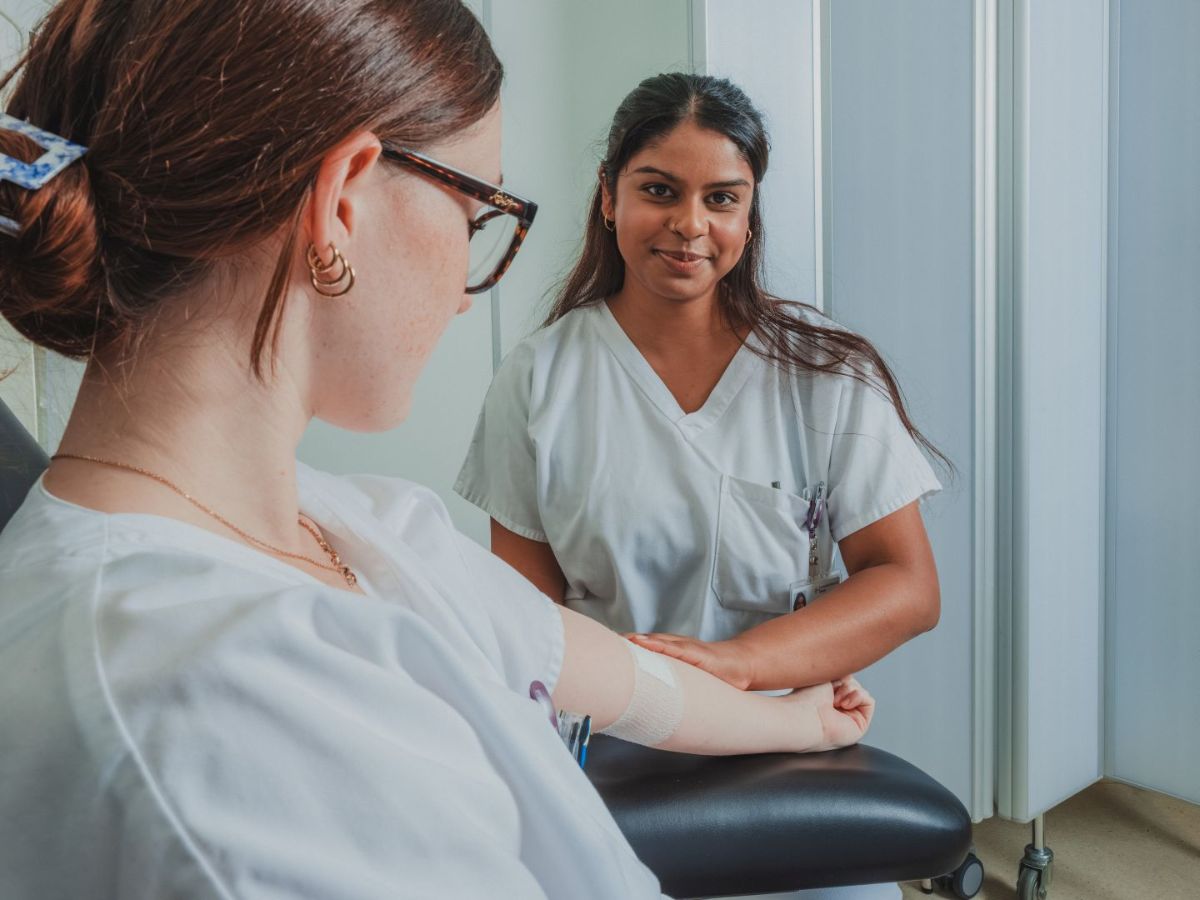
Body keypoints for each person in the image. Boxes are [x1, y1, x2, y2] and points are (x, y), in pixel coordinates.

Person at [0, 4, 876, 898]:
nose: (465, 292)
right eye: (477, 211)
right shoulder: (231, 703)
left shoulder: (352, 521)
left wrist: (804, 724)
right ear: (341, 203)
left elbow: (618, 677)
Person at [455, 73, 946, 899]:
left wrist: (741, 665)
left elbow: (907, 585)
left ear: (749, 216)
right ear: (609, 198)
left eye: (723, 198)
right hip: (612, 755)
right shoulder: (539, 380)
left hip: (791, 749)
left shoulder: (825, 373)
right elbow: (522, 626)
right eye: (659, 191)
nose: (691, 225)